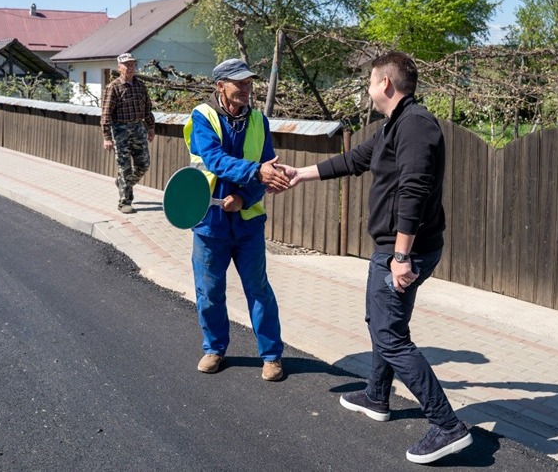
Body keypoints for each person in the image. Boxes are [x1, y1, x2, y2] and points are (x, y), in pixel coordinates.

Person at [282, 52, 472, 464]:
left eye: (370, 81)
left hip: (403, 250)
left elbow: (414, 190)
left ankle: (447, 425)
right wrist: (300, 174)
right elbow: (354, 160)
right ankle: (377, 395)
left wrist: (401, 255)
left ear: (385, 83)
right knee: (382, 321)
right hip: (395, 248)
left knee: (390, 333)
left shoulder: (416, 125)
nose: (368, 89)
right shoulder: (394, 125)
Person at [184, 58, 292, 382]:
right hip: (210, 221)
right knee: (209, 291)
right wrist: (256, 171)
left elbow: (268, 167)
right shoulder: (202, 116)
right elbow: (214, 159)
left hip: (248, 223)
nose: (246, 88)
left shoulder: (259, 120)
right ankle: (214, 349)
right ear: (220, 86)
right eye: (239, 83)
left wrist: (245, 198)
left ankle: (271, 356)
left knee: (258, 289)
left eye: (248, 83)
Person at [100, 53, 156, 214]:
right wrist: (107, 137)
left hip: (138, 128)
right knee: (124, 167)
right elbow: (105, 114)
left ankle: (123, 183)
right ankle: (125, 202)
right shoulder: (113, 87)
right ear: (119, 68)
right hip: (120, 130)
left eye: (132, 64)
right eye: (126, 65)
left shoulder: (140, 85)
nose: (130, 68)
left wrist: (151, 127)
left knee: (143, 165)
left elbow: (147, 108)